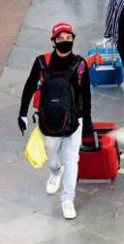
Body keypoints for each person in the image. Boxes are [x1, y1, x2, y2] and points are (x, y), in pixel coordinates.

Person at [18, 22, 93, 219]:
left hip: (75, 120)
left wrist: (88, 122)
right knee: (51, 154)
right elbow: (29, 86)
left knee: (72, 159)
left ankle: (67, 199)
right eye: (61, 38)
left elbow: (86, 94)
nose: (65, 41)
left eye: (69, 38)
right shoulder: (42, 62)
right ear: (53, 41)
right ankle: (55, 171)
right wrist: (22, 113)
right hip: (48, 120)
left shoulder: (80, 64)